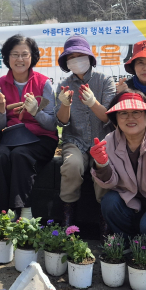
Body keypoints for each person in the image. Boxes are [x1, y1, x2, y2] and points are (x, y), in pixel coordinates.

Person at [90, 90, 146, 246]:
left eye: (136, 112)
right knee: (110, 202)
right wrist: (101, 164)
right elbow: (110, 184)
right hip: (131, 200)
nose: (130, 118)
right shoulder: (109, 141)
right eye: (123, 113)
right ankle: (129, 243)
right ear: (115, 118)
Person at [0, 35, 58, 220]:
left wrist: (36, 111)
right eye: (14, 54)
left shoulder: (43, 83)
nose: (19, 59)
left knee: (20, 155)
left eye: (24, 54)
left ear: (32, 57)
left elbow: (52, 124)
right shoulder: (0, 84)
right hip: (13, 137)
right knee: (0, 156)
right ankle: (3, 213)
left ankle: (24, 211)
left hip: (42, 138)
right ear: (7, 57)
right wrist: (0, 107)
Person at [54, 35, 115, 226]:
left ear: (90, 57)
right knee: (71, 166)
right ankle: (68, 221)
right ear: (66, 62)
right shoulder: (63, 85)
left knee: (103, 168)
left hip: (102, 140)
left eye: (80, 55)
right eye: (71, 57)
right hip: (75, 140)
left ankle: (105, 225)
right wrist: (65, 104)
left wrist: (93, 103)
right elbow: (62, 122)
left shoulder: (105, 81)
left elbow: (109, 118)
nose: (76, 60)